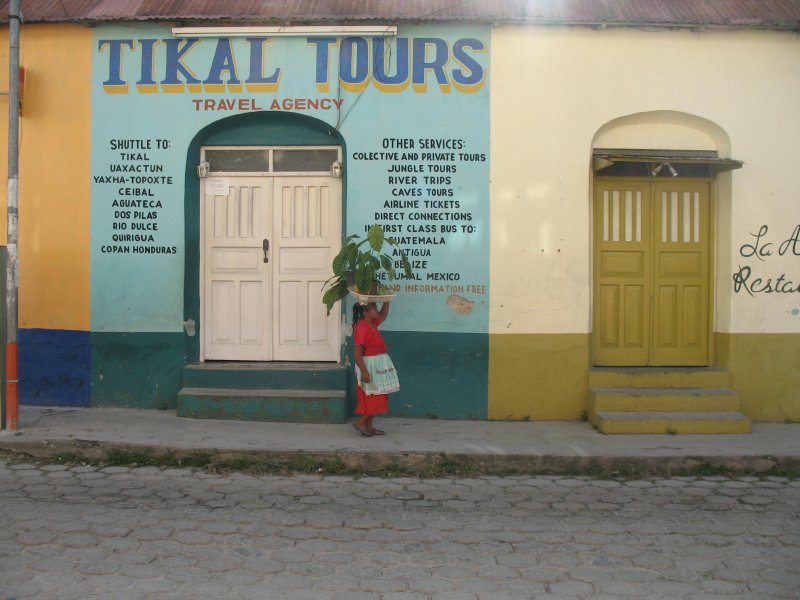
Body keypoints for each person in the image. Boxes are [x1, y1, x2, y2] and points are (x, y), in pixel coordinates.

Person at [351, 301, 399, 437]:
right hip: (370, 365)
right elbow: (357, 352)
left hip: (378, 364)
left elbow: (383, 314)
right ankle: (361, 423)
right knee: (375, 396)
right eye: (374, 308)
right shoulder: (362, 328)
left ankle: (369, 427)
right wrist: (365, 371)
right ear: (365, 312)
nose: (377, 310)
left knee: (377, 394)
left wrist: (387, 300)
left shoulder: (372, 323)